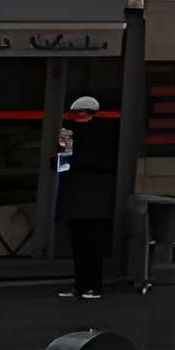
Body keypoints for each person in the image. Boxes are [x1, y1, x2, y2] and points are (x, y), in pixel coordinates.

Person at [55, 95, 120, 300]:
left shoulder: (104, 135)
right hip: (79, 195)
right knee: (80, 246)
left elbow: (104, 162)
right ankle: (81, 285)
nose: (79, 117)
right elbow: (62, 161)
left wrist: (72, 160)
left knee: (92, 246)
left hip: (93, 196)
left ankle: (92, 286)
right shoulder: (69, 132)